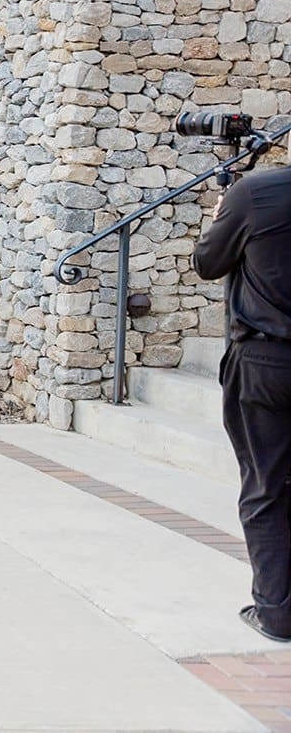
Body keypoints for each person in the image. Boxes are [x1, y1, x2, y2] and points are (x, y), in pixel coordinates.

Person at [195, 161, 291, 642]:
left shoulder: (255, 193)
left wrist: (222, 213)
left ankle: (276, 612)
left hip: (266, 361)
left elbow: (207, 263)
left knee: (265, 487)